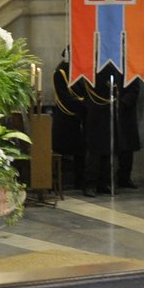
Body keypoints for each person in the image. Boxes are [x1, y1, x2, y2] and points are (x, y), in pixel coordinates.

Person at [76, 63, 140, 195]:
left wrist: (120, 103)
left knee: (109, 148)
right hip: (96, 109)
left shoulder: (120, 64)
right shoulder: (92, 64)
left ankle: (104, 182)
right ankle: (90, 183)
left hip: (113, 110)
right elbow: (84, 85)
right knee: (94, 150)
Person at [51, 47, 85, 190]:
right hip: (65, 118)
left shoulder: (80, 70)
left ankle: (80, 181)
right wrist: (84, 103)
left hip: (80, 118)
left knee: (81, 152)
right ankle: (60, 182)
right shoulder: (61, 72)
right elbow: (64, 96)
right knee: (63, 150)